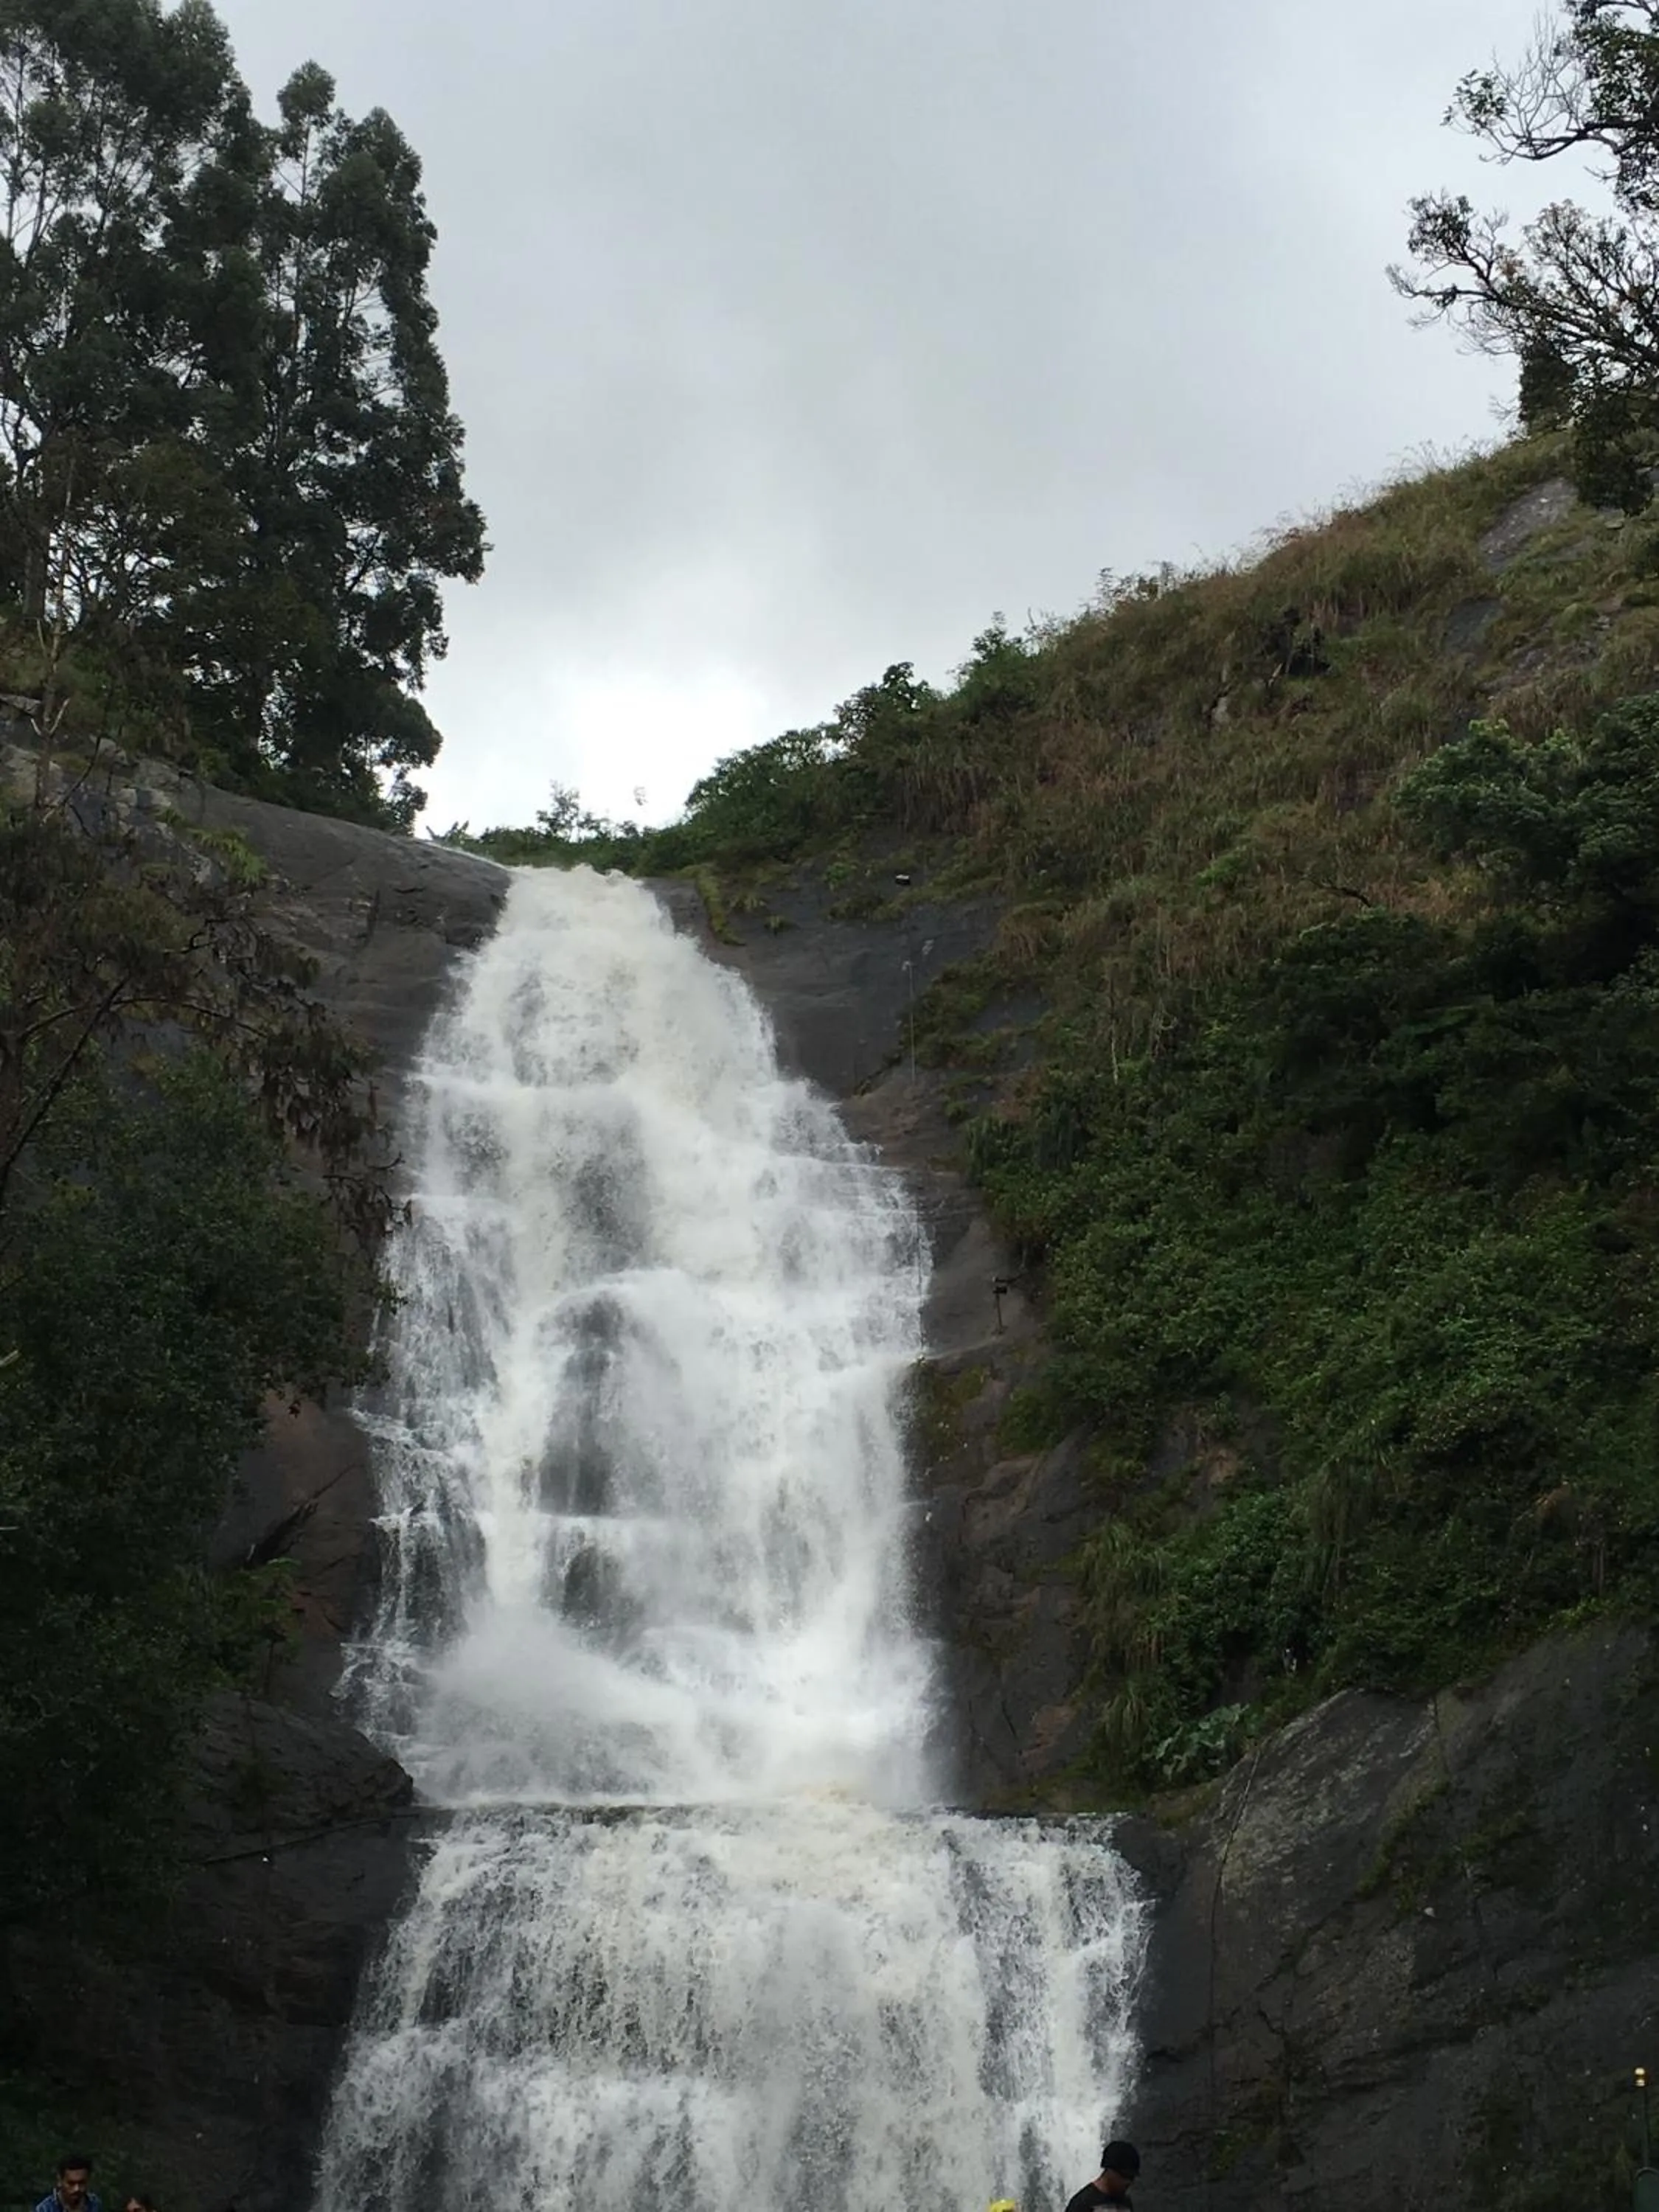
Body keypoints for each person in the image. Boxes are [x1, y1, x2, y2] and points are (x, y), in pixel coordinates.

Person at [1064, 2141, 1141, 2212]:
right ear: (1110, 2171)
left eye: (1132, 2178)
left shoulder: (1126, 2203)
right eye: (1124, 2175)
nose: (1128, 2182)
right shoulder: (1082, 2203)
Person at [36, 2157, 101, 2212]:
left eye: (81, 2183)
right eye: (71, 2184)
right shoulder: (45, 2209)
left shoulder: (94, 2204)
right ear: (60, 2181)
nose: (77, 2189)